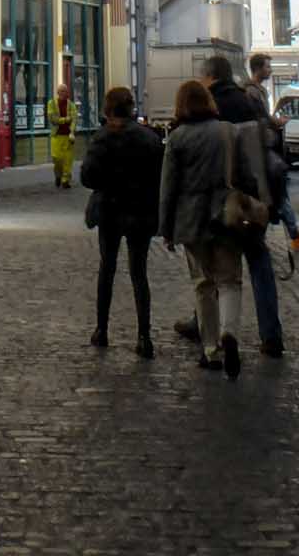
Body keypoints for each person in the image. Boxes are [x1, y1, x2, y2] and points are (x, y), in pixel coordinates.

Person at [158, 78, 267, 378]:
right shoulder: (228, 131)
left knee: (203, 283)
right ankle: (229, 332)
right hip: (226, 213)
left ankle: (211, 350)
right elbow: (247, 174)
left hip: (191, 218)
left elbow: (168, 188)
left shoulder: (177, 138)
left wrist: (165, 228)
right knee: (230, 280)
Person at [192, 54, 287, 357]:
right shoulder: (249, 101)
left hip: (221, 201)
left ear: (209, 77)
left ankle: (209, 326)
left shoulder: (209, 107)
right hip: (254, 197)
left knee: (215, 268)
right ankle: (271, 333)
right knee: (259, 263)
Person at [80, 85, 163, 358]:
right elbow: (159, 177)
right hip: (139, 211)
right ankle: (144, 336)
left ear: (108, 109)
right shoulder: (149, 139)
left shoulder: (101, 139)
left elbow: (88, 177)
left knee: (108, 268)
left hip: (110, 210)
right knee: (139, 272)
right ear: (131, 108)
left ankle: (101, 330)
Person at [244, 50, 299, 253]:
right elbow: (262, 117)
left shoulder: (257, 90)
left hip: (263, 145)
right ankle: (288, 234)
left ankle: (292, 233)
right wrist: (277, 122)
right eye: (268, 66)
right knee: (276, 190)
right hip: (261, 146)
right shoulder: (252, 91)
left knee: (277, 191)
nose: (270, 70)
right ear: (258, 68)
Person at [49, 85, 77, 188]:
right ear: (58, 92)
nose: (64, 93)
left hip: (68, 136)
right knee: (57, 158)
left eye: (65, 91)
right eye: (61, 91)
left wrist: (72, 131)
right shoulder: (51, 103)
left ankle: (66, 180)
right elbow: (52, 119)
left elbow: (74, 119)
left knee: (68, 160)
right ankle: (58, 175)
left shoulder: (71, 105)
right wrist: (65, 120)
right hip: (56, 136)